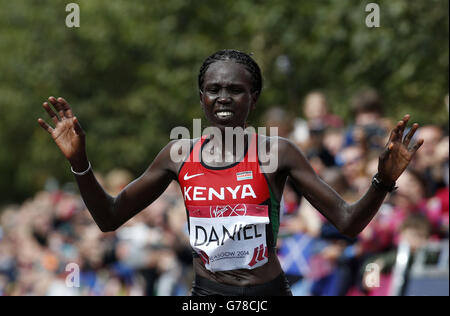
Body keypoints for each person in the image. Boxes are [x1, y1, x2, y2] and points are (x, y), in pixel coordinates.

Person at [37, 49, 424, 296]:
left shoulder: (277, 152)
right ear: (201, 98)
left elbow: (347, 221)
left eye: (235, 90)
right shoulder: (178, 154)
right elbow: (109, 217)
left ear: (253, 98)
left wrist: (384, 180)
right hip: (207, 297)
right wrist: (79, 163)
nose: (223, 97)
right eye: (213, 89)